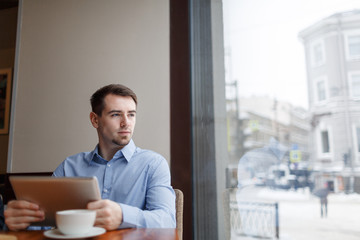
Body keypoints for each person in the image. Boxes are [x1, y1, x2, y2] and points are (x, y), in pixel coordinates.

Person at [4, 84, 176, 231]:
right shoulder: (69, 167)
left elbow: (168, 221)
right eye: (116, 114)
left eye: (131, 114)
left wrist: (122, 215)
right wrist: (22, 220)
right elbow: (44, 224)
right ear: (95, 120)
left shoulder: (153, 164)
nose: (126, 122)